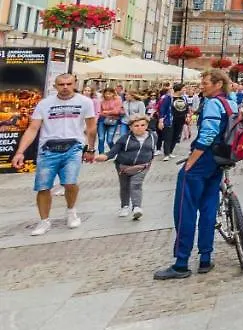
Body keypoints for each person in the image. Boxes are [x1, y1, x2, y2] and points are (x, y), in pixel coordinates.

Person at [154, 70, 233, 279]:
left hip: (204, 158)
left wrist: (191, 160)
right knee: (208, 209)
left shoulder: (214, 104)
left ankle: (181, 263)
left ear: (218, 84)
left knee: (184, 209)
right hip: (219, 160)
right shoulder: (230, 102)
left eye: (205, 83)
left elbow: (208, 134)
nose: (202, 86)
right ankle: (206, 258)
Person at [10, 73, 98, 236]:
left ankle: (71, 211)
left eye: (68, 84)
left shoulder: (85, 102)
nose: (65, 87)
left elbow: (91, 127)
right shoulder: (45, 104)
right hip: (48, 149)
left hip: (74, 147)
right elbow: (33, 128)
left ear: (74, 84)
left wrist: (91, 149)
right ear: (55, 86)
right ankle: (44, 221)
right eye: (61, 84)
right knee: (43, 187)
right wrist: (20, 152)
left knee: (70, 183)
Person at [95, 114, 156, 219]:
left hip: (142, 166)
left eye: (143, 125)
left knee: (136, 185)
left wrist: (149, 161)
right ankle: (125, 206)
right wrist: (104, 157)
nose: (140, 128)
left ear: (147, 125)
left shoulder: (153, 136)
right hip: (123, 167)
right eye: (136, 126)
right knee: (124, 187)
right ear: (130, 127)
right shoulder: (124, 139)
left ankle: (137, 207)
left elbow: (152, 150)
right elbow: (113, 151)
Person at [97, 86, 125, 154]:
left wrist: (107, 112)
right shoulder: (101, 100)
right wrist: (108, 112)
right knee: (101, 138)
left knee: (109, 140)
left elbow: (117, 111)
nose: (107, 95)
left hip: (113, 120)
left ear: (113, 93)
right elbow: (99, 111)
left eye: (109, 93)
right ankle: (101, 154)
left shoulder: (118, 99)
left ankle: (114, 153)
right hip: (102, 120)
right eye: (106, 93)